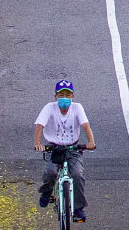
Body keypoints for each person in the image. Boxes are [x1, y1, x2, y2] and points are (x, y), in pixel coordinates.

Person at [34, 80, 96, 222]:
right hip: (54, 147)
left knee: (77, 174)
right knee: (51, 172)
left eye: (67, 95)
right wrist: (38, 143)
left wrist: (91, 142)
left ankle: (78, 208)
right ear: (56, 96)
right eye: (61, 94)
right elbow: (40, 125)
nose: (65, 98)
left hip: (72, 148)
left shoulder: (77, 108)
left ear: (72, 96)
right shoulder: (49, 108)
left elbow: (86, 125)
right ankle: (47, 191)